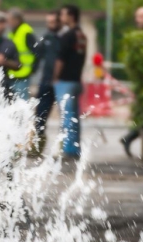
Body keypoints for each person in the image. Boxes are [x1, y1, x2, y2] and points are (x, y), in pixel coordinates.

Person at [120, 6, 143, 156]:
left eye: (142, 17)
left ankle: (129, 137)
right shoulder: (136, 38)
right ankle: (129, 137)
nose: (138, 20)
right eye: (138, 17)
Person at [54, 4, 87, 159]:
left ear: (71, 16)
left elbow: (61, 59)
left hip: (65, 81)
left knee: (67, 117)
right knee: (74, 117)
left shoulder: (68, 36)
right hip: (76, 81)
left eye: (63, 15)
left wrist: (55, 77)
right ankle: (74, 148)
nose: (61, 18)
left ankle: (68, 150)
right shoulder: (81, 35)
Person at [32, 11, 61, 156]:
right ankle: (37, 145)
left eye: (52, 22)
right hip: (46, 80)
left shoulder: (64, 38)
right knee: (40, 114)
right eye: (48, 22)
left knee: (65, 115)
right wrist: (31, 71)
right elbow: (37, 57)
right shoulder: (45, 37)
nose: (50, 25)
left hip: (61, 81)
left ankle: (63, 147)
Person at [7, 9, 39, 101]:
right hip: (13, 72)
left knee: (22, 101)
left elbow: (36, 51)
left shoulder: (26, 32)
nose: (8, 22)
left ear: (17, 20)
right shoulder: (12, 33)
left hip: (24, 72)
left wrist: (33, 69)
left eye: (10, 19)